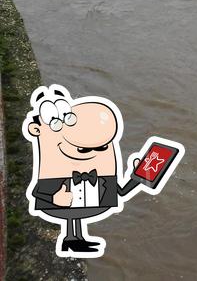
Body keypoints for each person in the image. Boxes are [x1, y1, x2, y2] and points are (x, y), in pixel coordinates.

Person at [23, 86, 144, 256]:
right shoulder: (55, 175)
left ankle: (74, 240)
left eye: (102, 147)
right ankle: (71, 239)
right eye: (83, 149)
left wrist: (139, 175)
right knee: (72, 214)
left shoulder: (102, 178)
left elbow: (121, 192)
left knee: (76, 215)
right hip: (61, 205)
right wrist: (54, 198)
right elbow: (38, 192)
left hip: (89, 205)